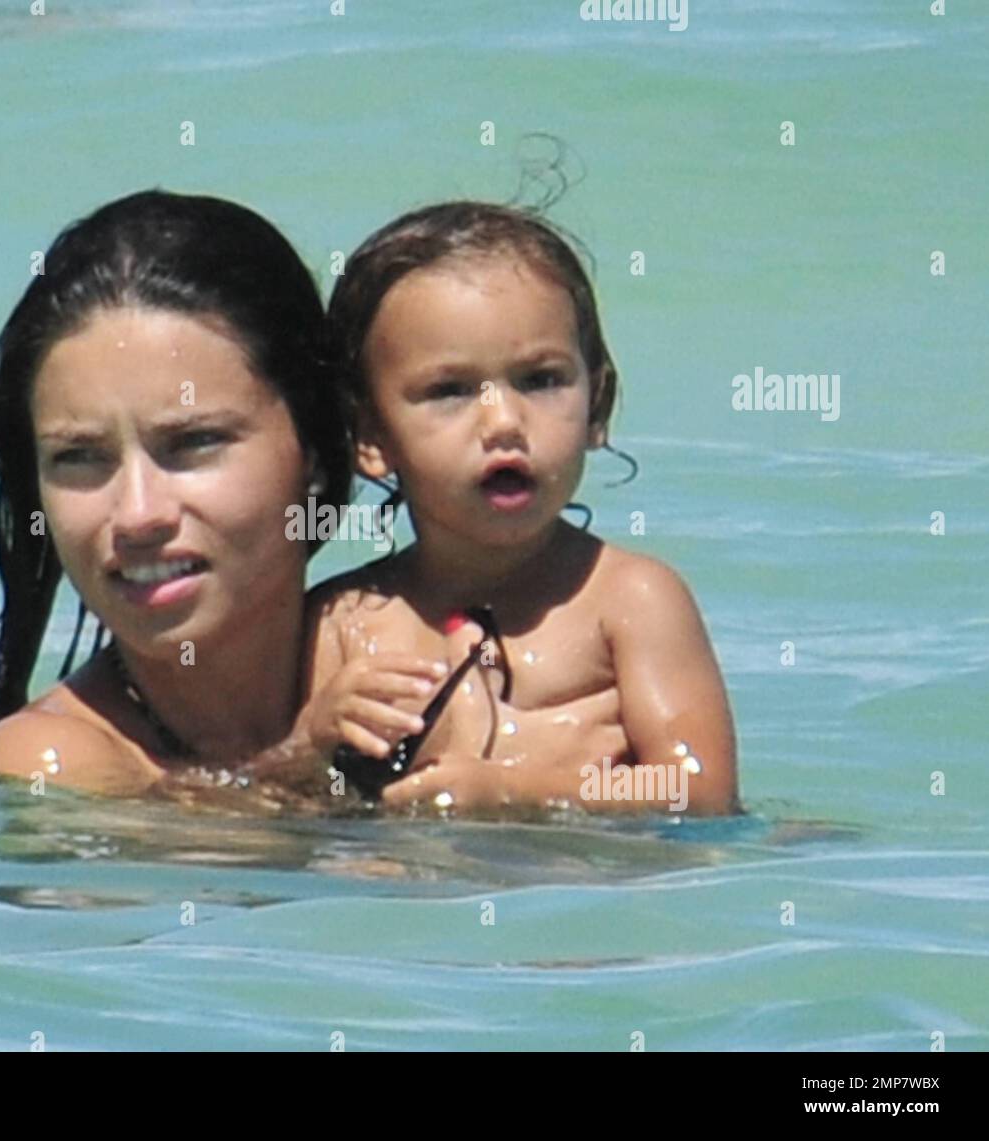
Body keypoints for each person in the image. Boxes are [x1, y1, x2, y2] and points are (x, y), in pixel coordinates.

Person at [297, 201, 740, 815]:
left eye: (540, 379)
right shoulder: (342, 621)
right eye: (448, 391)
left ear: (598, 404)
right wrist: (310, 746)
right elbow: (290, 804)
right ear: (371, 437)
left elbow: (697, 789)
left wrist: (515, 793)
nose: (504, 422)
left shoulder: (630, 600)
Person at [0, 189, 353, 797]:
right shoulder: (50, 768)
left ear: (316, 453)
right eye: (79, 458)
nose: (138, 515)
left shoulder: (429, 658)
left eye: (193, 442)